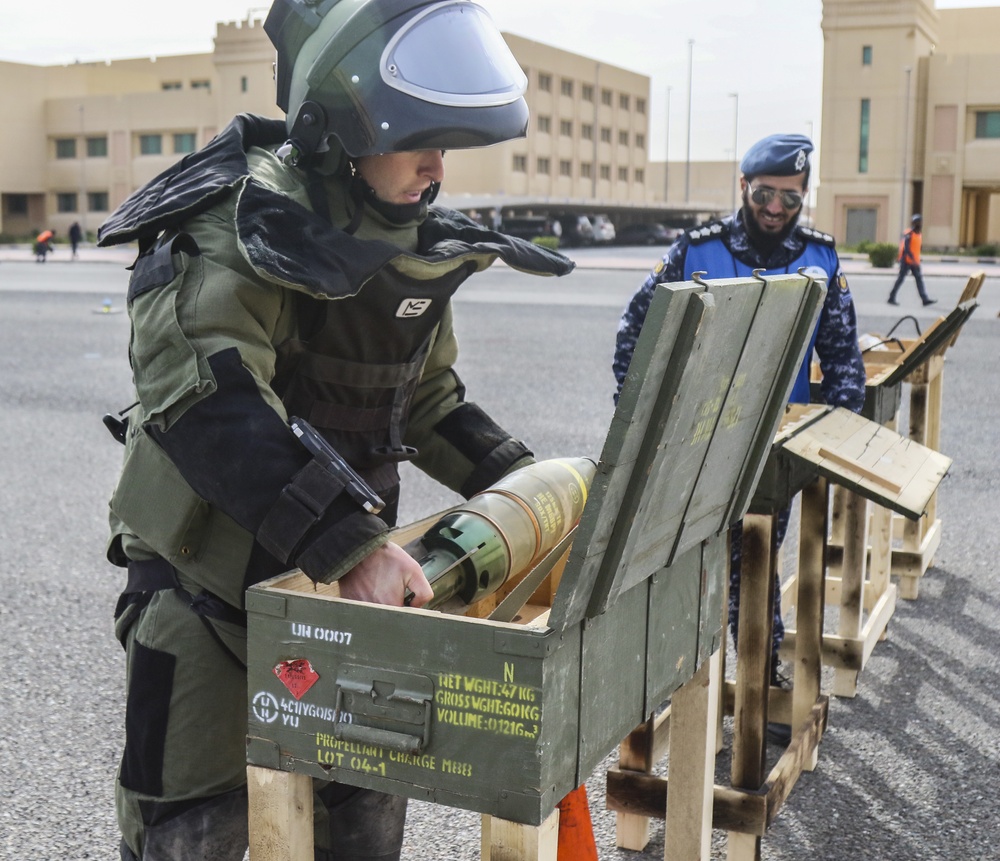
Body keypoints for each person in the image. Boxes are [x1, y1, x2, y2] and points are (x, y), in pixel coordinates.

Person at [96, 2, 573, 859]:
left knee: (361, 823)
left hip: (345, 594)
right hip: (208, 590)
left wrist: (535, 487)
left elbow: (425, 401)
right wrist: (352, 545)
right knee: (190, 830)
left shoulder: (401, 241)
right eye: (419, 139)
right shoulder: (231, 226)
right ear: (347, 125)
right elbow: (212, 404)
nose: (436, 167)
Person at [613, 133, 866, 743]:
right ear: (743, 188)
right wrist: (647, 431)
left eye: (790, 197)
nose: (776, 207)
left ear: (804, 197)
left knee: (753, 568)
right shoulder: (695, 252)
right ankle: (671, 685)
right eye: (764, 193)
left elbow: (844, 366)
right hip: (695, 448)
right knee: (679, 567)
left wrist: (830, 444)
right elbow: (633, 339)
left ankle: (759, 684)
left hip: (773, 454)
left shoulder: (822, 260)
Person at [889, 214, 936, 306]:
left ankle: (924, 299)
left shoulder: (919, 234)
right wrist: (912, 259)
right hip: (906, 261)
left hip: (915, 262)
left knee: (919, 280)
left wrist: (917, 260)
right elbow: (906, 249)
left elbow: (917, 248)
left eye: (919, 222)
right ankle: (891, 297)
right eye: (916, 222)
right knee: (900, 279)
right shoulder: (909, 234)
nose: (918, 224)